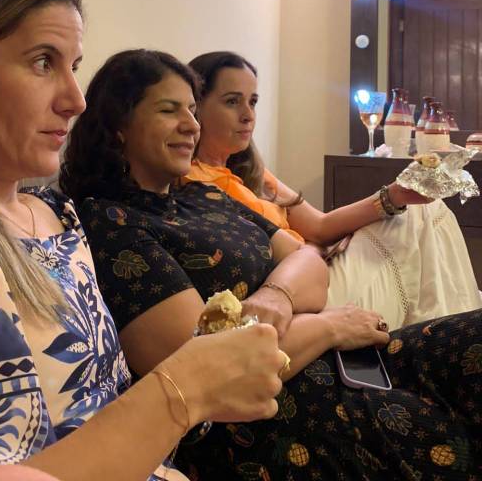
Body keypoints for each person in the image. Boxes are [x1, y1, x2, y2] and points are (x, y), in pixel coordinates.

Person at [0, 0, 286, 481]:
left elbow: (106, 407)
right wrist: (185, 387)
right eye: (43, 62)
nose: (76, 100)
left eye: (74, 66)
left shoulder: (56, 215)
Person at [61, 48, 482, 480]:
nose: (191, 125)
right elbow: (209, 369)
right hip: (276, 408)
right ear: (117, 126)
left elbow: (307, 254)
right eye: (170, 111)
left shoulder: (202, 196)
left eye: (191, 110)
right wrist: (326, 326)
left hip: (327, 357)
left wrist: (278, 296)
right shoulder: (112, 221)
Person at [184, 51, 482, 328]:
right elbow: (298, 247)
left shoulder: (252, 173)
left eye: (253, 102)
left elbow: (320, 226)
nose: (248, 115)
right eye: (232, 101)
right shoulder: (197, 183)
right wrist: (317, 248)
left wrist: (394, 195)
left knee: (425, 212)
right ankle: (451, 338)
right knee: (423, 220)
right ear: (195, 108)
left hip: (314, 268)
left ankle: (443, 335)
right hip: (297, 291)